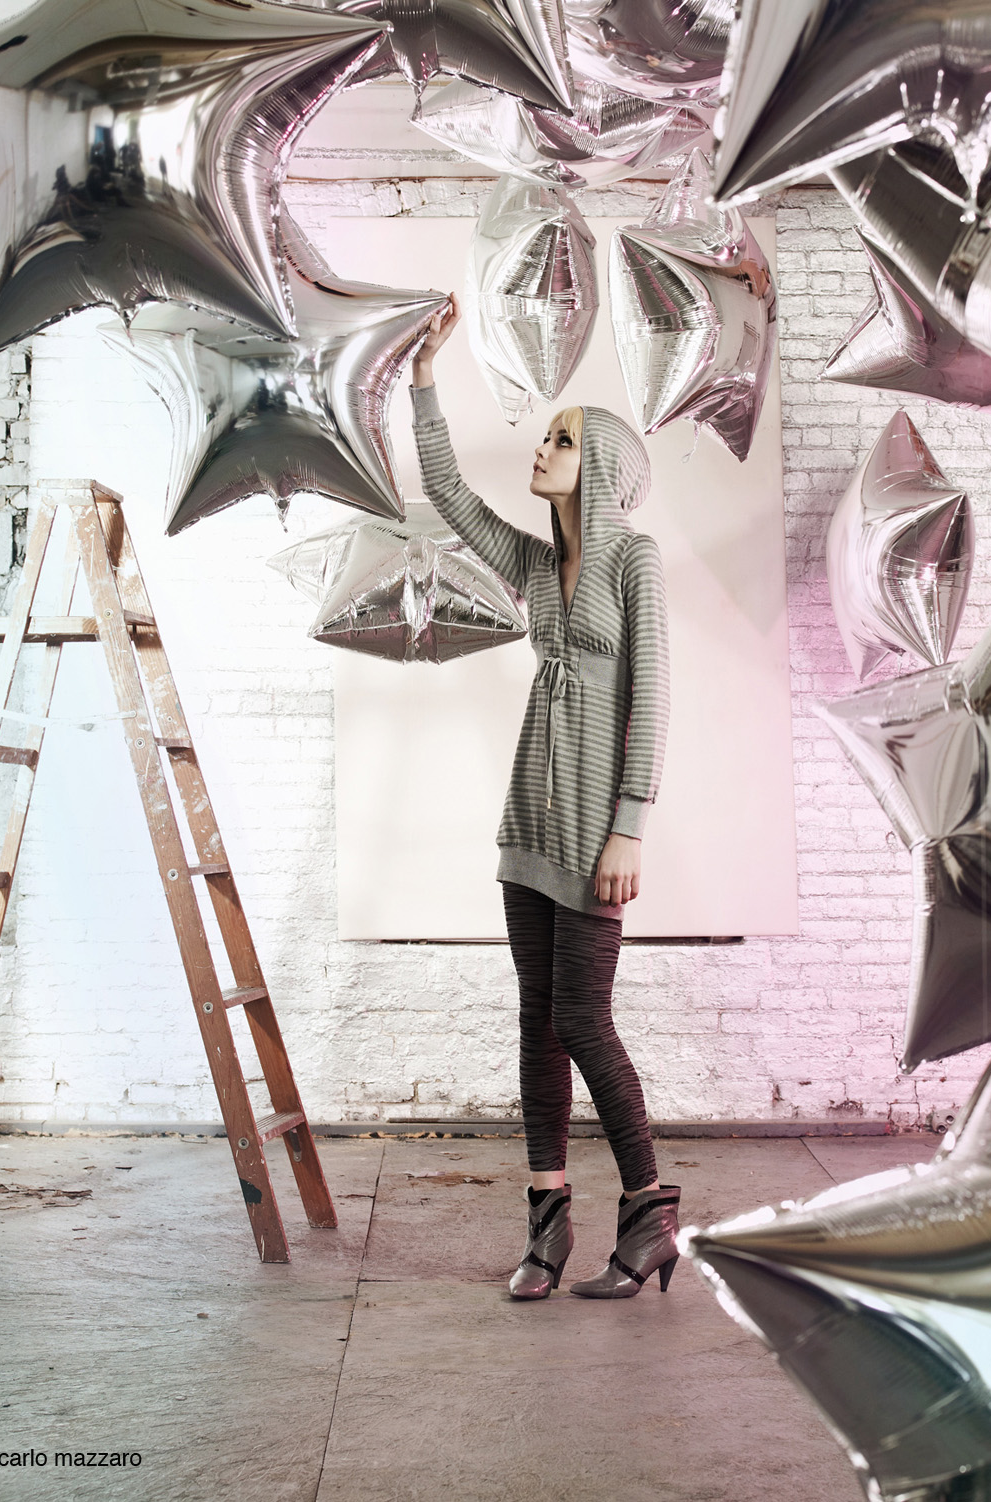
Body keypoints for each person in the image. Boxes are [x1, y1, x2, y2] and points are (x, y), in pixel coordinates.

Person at [409, 296, 680, 1302]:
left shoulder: (633, 559)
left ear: (599, 465)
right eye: (547, 433)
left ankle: (650, 1213)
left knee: (583, 1017)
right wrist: (425, 378)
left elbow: (651, 697)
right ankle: (548, 1221)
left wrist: (630, 826)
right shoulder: (535, 559)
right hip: (529, 820)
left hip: (596, 831)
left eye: (563, 439)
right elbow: (447, 491)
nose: (544, 446)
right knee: (537, 1020)